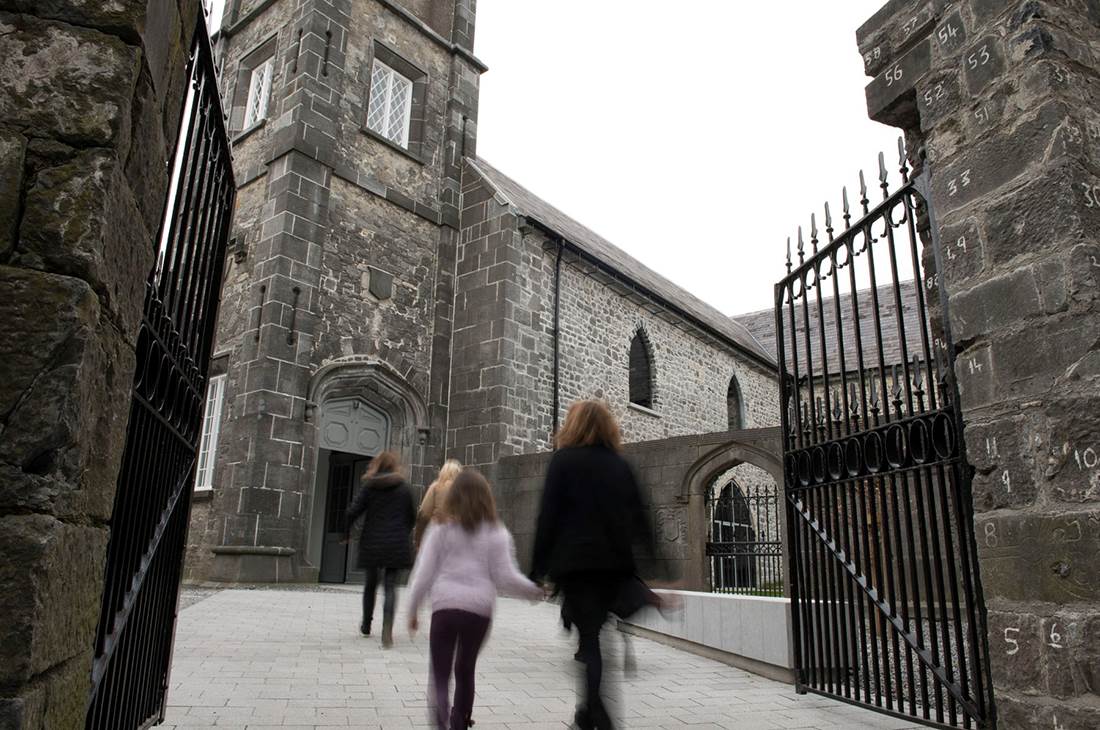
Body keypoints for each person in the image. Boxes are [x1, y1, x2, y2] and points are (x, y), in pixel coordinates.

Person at [530, 399, 661, 730]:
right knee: (597, 636)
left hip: (576, 567)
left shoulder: (563, 461)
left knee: (589, 641)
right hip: (612, 567)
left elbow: (548, 518)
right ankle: (587, 714)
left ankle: (597, 717)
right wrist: (662, 569)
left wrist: (536, 569)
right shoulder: (619, 464)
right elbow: (641, 520)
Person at [406, 468, 544, 730]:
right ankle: (459, 722)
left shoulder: (440, 529)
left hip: (444, 608)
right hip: (478, 612)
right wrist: (533, 591)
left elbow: (423, 575)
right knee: (465, 669)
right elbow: (506, 577)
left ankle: (440, 719)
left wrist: (413, 610)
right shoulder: (496, 532)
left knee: (440, 673)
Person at [345, 450, 415, 647]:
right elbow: (411, 516)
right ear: (394, 466)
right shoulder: (404, 488)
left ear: (376, 465)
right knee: (390, 587)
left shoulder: (370, 486)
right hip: (396, 543)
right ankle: (387, 630)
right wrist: (402, 532)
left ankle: (366, 624)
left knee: (370, 584)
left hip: (372, 542)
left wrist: (346, 532)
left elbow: (352, 511)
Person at [414, 458, 463, 548]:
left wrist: (418, 538)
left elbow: (424, 512)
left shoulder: (436, 487)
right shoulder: (463, 490)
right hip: (458, 534)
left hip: (438, 532)